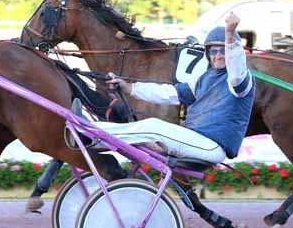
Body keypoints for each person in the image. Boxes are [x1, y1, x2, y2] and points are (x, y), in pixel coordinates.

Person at [92, 12, 255, 163]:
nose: (218, 55)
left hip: (212, 146)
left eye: (224, 50)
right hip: (194, 139)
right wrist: (130, 88)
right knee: (148, 131)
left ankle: (91, 133)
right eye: (214, 51)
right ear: (208, 54)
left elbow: (237, 70)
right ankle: (93, 134)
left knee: (152, 126)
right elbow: (168, 93)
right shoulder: (204, 79)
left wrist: (229, 36)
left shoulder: (240, 80)